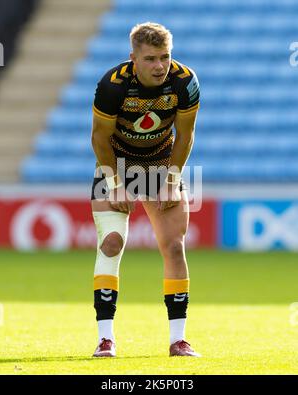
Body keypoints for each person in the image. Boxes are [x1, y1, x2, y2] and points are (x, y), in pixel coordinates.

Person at [90, 22, 200, 357]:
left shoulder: (185, 81)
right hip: (117, 164)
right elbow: (99, 137)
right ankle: (105, 339)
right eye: (150, 58)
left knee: (174, 247)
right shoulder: (112, 85)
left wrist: (170, 179)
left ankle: (178, 340)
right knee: (111, 243)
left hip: (160, 164)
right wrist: (115, 183)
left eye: (164, 57)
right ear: (133, 59)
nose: (159, 65)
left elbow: (186, 135)